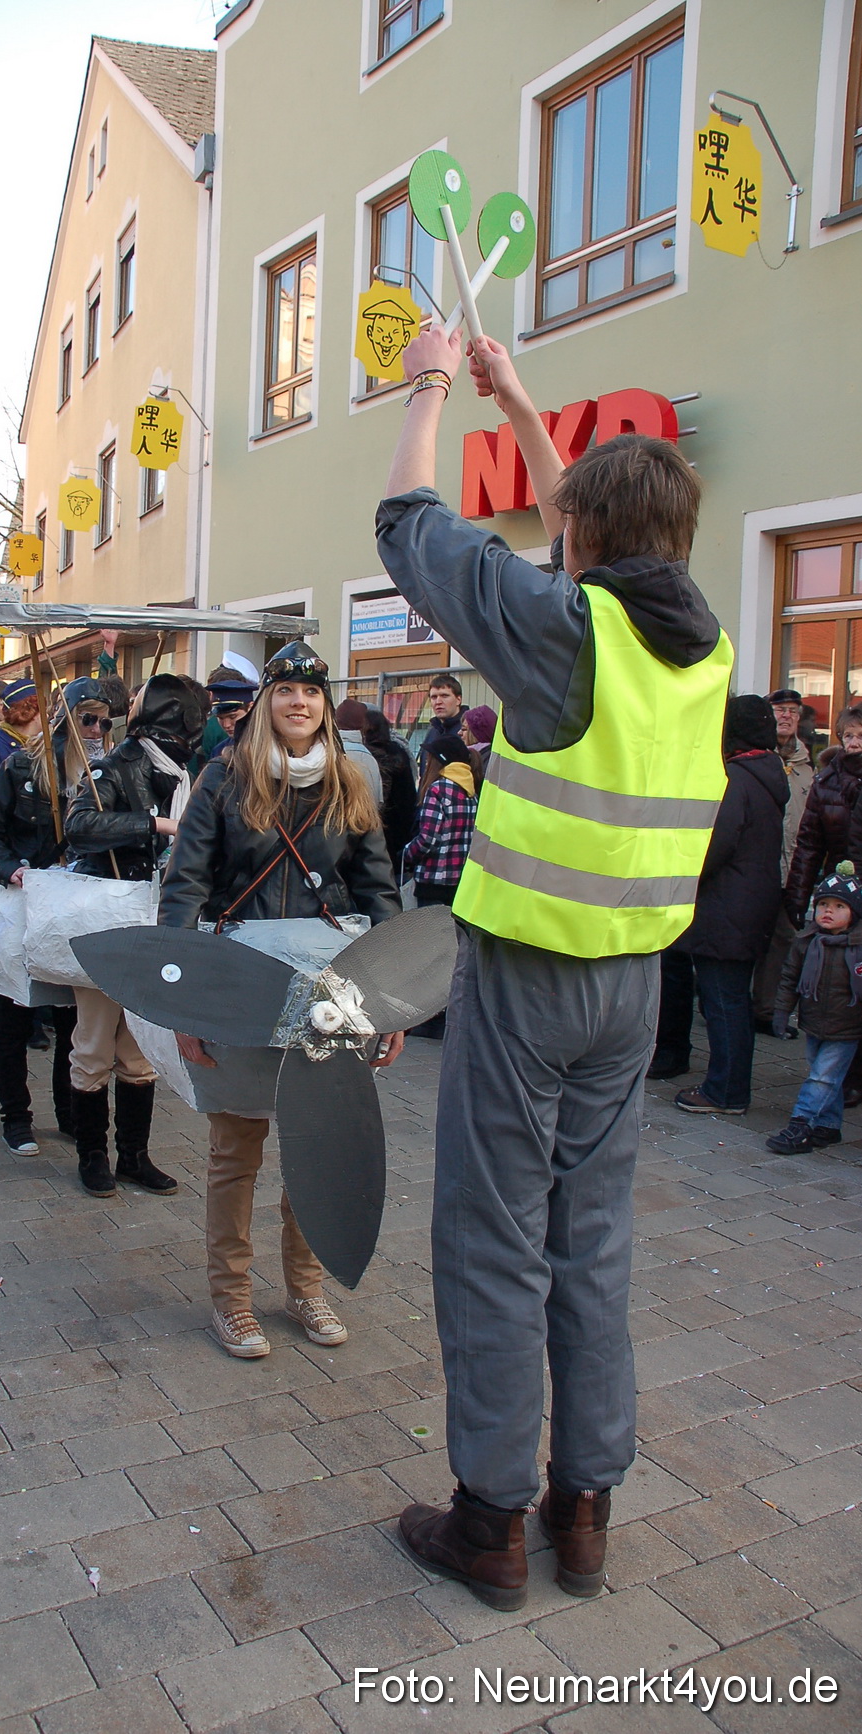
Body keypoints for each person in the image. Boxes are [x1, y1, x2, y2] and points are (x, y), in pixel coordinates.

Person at [375, 324, 731, 1609]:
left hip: (528, 978)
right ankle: (582, 1512)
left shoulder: (561, 632)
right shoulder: (698, 646)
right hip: (632, 988)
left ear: (581, 543)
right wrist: (524, 406)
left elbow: (410, 520)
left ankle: (488, 1522)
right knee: (590, 1243)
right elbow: (569, 552)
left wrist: (429, 388)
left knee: (490, 1240)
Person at [159, 643, 401, 1359]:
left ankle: (306, 1288)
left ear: (325, 707)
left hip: (330, 985)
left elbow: (379, 894)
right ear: (266, 703)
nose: (299, 702)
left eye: (312, 693)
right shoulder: (223, 778)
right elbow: (185, 890)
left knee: (316, 1142)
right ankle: (231, 1300)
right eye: (286, 690)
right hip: (238, 980)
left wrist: (390, 1000)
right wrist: (182, 1003)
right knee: (236, 1149)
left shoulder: (350, 782)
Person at [63, 675, 204, 1196]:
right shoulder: (115, 765)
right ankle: (92, 1157)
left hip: (158, 922)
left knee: (141, 1050)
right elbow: (78, 825)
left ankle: (134, 1156)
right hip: (109, 920)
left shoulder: (185, 773)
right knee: (94, 1046)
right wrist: (154, 825)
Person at [649, 696, 786, 1111]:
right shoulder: (766, 774)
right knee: (730, 998)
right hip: (749, 901)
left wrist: (679, 876)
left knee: (723, 1000)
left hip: (728, 905)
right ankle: (725, 1083)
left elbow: (712, 847)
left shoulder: (736, 779)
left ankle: (725, 1091)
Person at [0, 731, 78, 1154]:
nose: (94, 731)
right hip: (19, 906)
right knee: (12, 1020)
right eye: (86, 721)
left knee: (72, 1023)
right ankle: (15, 1117)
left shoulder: (104, 770)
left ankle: (69, 1112)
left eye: (105, 723)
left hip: (70, 907)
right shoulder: (19, 767)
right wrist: (8, 868)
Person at [766, 861, 862, 1154]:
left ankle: (801, 1124)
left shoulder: (857, 947)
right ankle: (829, 1126)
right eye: (822, 905)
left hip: (847, 1026)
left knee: (822, 1076)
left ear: (854, 913)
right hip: (813, 1022)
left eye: (838, 907)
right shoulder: (806, 941)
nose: (828, 912)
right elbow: (789, 978)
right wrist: (781, 1011)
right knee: (825, 1076)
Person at [752, 689, 815, 1034]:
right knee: (746, 935)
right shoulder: (757, 758)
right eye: (780, 709)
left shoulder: (807, 765)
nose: (786, 716)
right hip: (755, 867)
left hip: (791, 869)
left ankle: (766, 1010)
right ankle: (729, 999)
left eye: (793, 710)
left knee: (783, 939)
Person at [784, 704, 862, 930]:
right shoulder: (826, 783)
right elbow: (809, 846)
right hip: (840, 895)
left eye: (860, 736)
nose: (854, 743)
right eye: (848, 736)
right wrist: (798, 899)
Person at [404, 735, 479, 909]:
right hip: (458, 881)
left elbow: (428, 839)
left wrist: (407, 853)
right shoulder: (471, 793)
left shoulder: (438, 789)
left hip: (432, 881)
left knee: (428, 935)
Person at [362, 706, 418, 876]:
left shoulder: (364, 755)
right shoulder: (400, 753)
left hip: (370, 832)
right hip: (397, 832)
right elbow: (408, 797)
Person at [332, 699, 384, 803]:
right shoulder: (370, 760)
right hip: (363, 818)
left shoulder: (325, 752)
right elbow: (377, 801)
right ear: (363, 725)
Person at [417, 673, 464, 775]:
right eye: (434, 697)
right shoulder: (433, 731)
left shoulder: (467, 731)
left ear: (458, 700)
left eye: (444, 696)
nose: (438, 701)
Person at [460, 704, 496, 776]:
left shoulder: (485, 762)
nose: (459, 732)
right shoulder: (487, 757)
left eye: (464, 729)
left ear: (477, 734)